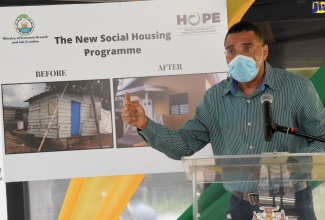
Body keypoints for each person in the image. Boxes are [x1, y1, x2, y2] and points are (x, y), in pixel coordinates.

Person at [121, 21, 325, 219]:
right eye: (231, 51)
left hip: (290, 199)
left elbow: (322, 139)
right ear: (226, 57)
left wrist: (291, 164)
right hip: (241, 205)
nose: (239, 57)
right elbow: (182, 146)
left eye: (247, 48)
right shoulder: (214, 99)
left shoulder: (297, 88)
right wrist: (145, 125)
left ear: (264, 52)